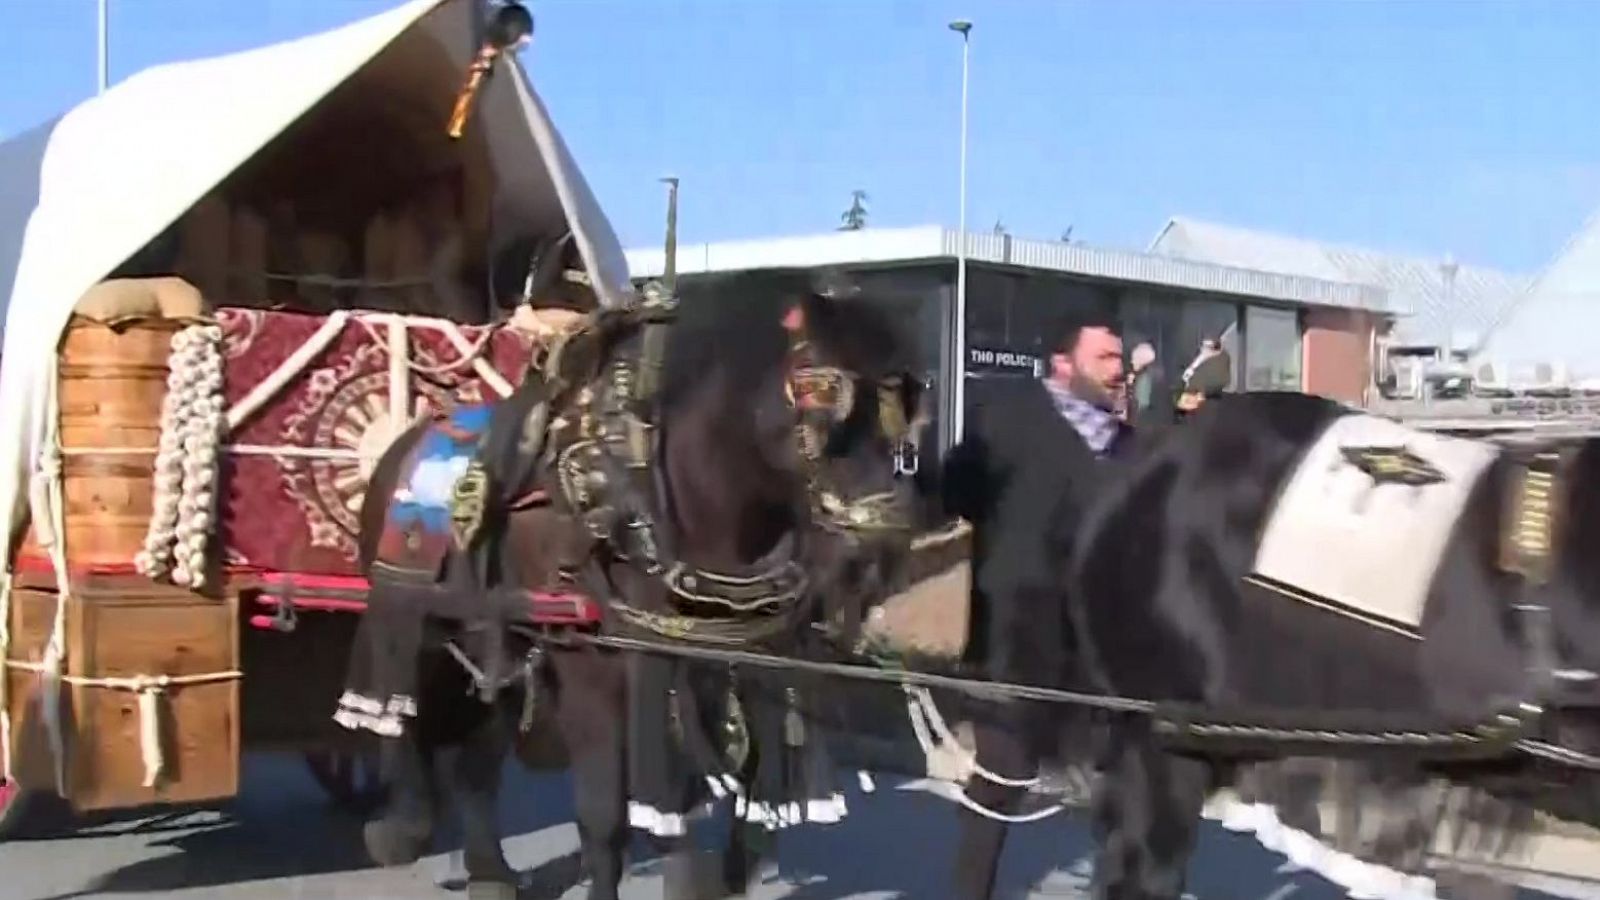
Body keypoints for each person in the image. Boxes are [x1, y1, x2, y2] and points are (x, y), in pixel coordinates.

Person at [940, 309, 1136, 897]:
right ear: (1062, 363)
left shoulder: (1132, 444)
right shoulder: (1007, 420)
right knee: (1005, 777)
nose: (1120, 371)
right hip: (1014, 639)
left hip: (1100, 650)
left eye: (1121, 360)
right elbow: (956, 491)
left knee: (1127, 786)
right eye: (1105, 358)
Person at [1124, 340, 1174, 429]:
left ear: (1142, 360)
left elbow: (1142, 407)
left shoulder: (1145, 379)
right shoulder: (1156, 373)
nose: (1132, 361)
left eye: (1134, 358)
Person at [1176, 336, 1232, 415]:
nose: (1203, 348)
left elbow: (1221, 381)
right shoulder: (1203, 356)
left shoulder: (1217, 363)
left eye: (1207, 347)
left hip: (1202, 400)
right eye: (1203, 345)